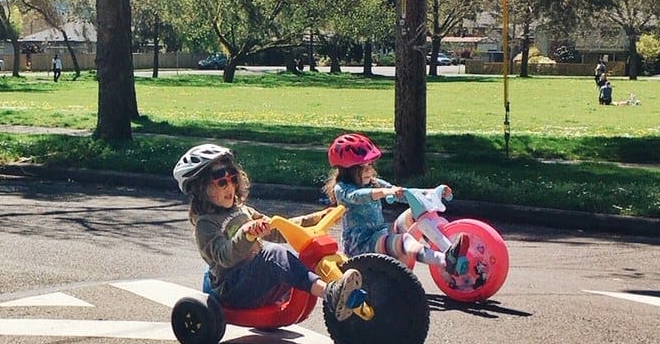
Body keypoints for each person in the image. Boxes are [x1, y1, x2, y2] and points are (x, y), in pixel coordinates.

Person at [173, 143, 367, 320]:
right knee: (273, 253)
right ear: (200, 189)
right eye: (221, 182)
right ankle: (330, 293)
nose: (230, 186)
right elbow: (224, 257)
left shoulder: (242, 210)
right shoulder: (205, 225)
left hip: (258, 283)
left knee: (292, 254)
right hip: (233, 290)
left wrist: (317, 217)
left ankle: (343, 288)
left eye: (233, 178)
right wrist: (247, 234)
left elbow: (278, 227)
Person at [323, 132, 469, 276]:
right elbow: (356, 196)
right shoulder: (342, 188)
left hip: (380, 234)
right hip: (360, 246)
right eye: (362, 167)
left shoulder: (374, 183)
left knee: (415, 213)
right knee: (404, 240)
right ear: (347, 170)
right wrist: (383, 192)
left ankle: (449, 249)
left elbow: (405, 194)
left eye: (370, 165)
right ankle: (445, 261)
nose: (369, 170)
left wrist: (432, 192)